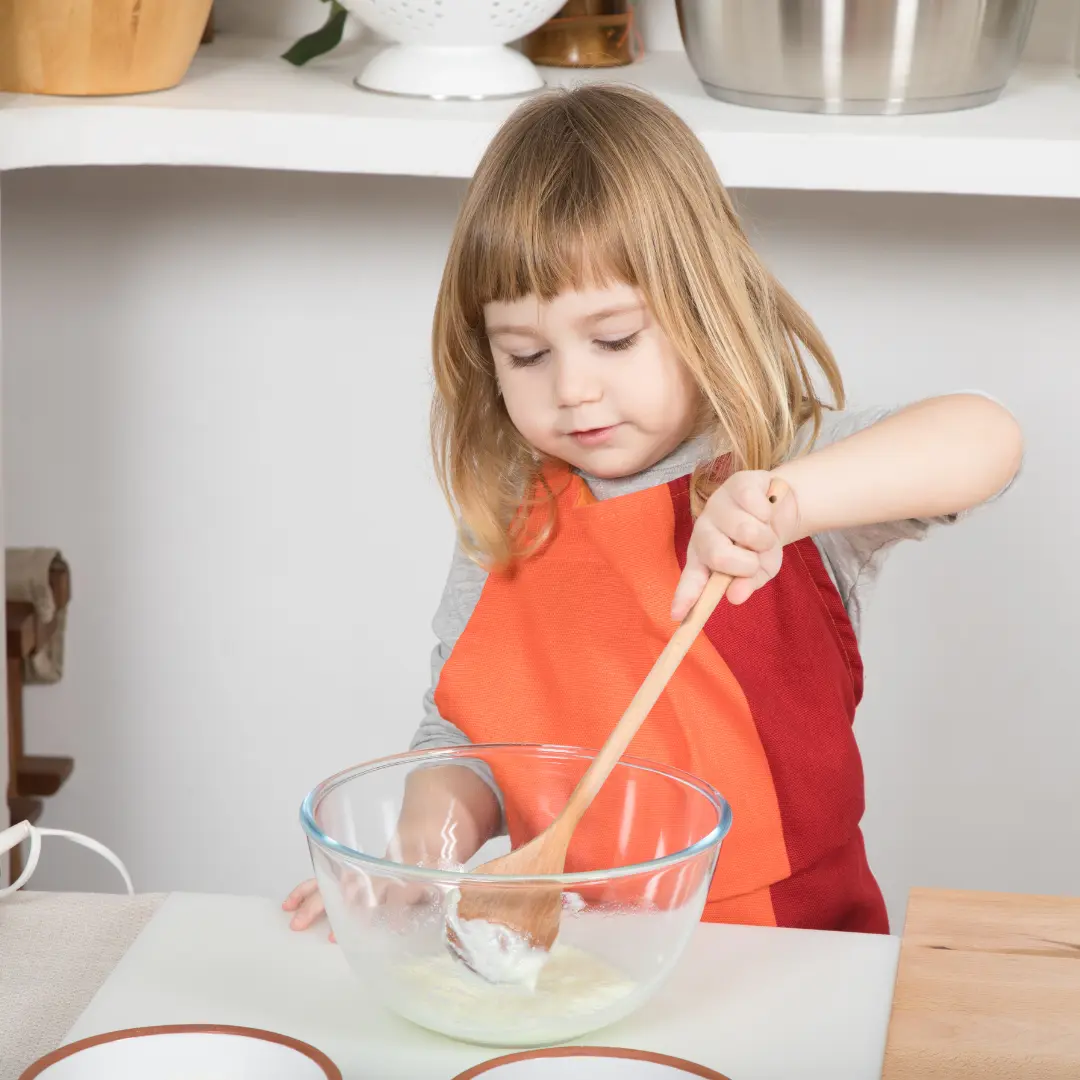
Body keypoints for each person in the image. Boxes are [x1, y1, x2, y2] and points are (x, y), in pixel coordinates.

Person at [285, 84, 1021, 938]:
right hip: (575, 946)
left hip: (791, 948)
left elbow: (986, 440)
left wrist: (786, 501)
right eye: (525, 354)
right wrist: (418, 853)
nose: (573, 388)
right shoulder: (507, 512)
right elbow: (465, 737)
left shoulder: (783, 464)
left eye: (615, 339)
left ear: (704, 304)